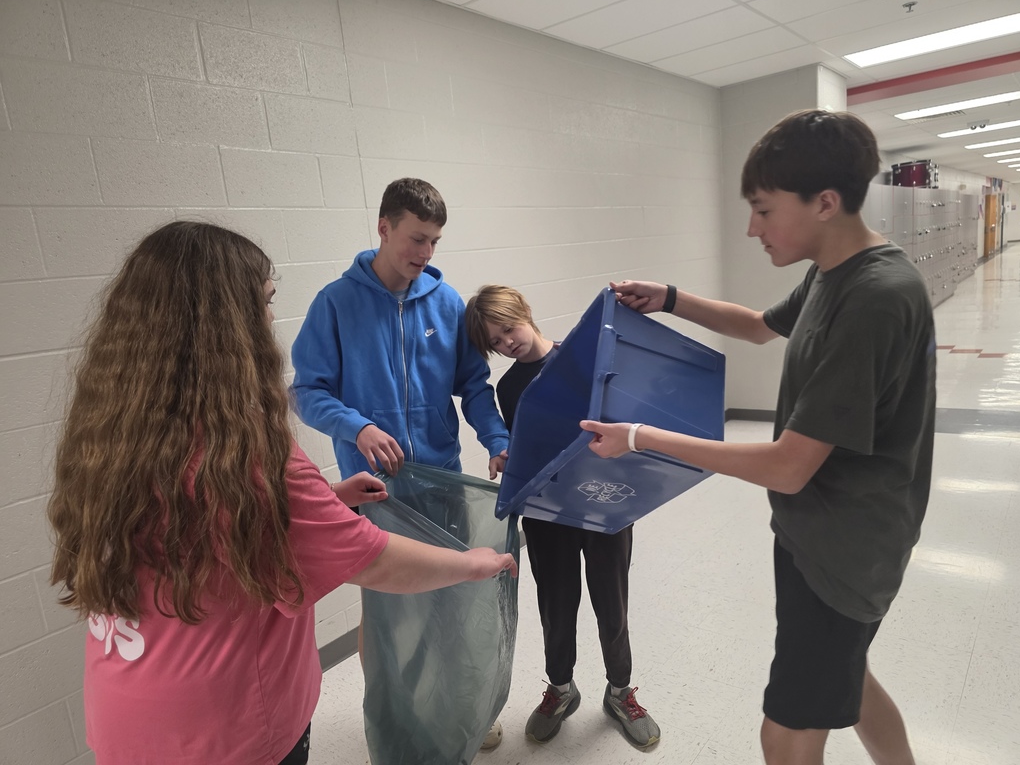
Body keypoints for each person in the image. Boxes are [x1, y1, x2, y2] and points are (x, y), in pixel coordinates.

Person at [46, 221, 518, 765]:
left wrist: (326, 497)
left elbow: (207, 521)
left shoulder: (111, 433)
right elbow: (373, 560)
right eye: (265, 301)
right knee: (388, 622)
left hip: (124, 717)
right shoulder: (254, 447)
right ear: (225, 322)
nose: (271, 318)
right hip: (227, 730)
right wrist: (472, 563)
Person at [582, 110, 934, 765]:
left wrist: (638, 438)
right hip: (816, 535)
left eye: (764, 210)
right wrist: (669, 298)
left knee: (784, 733)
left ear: (825, 203)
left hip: (845, 552)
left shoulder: (876, 297)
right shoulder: (834, 272)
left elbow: (789, 466)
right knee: (846, 680)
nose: (752, 227)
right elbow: (757, 327)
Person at [289, 177, 510, 749]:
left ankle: (458, 710)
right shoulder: (336, 304)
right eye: (416, 238)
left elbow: (474, 385)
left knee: (453, 599)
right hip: (375, 492)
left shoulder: (446, 302)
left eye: (435, 240)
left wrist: (495, 437)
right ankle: (397, 714)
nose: (425, 253)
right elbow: (308, 392)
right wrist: (357, 427)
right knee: (387, 614)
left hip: (439, 477)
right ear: (384, 229)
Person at [465, 285, 661, 749]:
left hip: (603, 502)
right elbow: (524, 447)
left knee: (611, 599)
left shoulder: (582, 359)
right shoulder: (510, 387)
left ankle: (620, 691)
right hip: (547, 512)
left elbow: (623, 418)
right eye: (496, 341)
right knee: (556, 601)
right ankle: (561, 688)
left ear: (525, 313)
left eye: (508, 328)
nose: (507, 342)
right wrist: (505, 458)